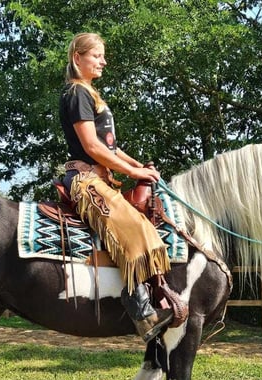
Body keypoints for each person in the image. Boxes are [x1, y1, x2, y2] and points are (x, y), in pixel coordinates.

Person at [59, 32, 181, 342]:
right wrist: (129, 170)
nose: (103, 61)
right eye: (96, 55)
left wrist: (139, 167)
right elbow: (91, 146)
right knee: (131, 226)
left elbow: (110, 148)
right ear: (78, 58)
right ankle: (140, 310)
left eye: (102, 55)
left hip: (101, 177)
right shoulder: (77, 93)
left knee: (141, 221)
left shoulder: (91, 94)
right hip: (85, 180)